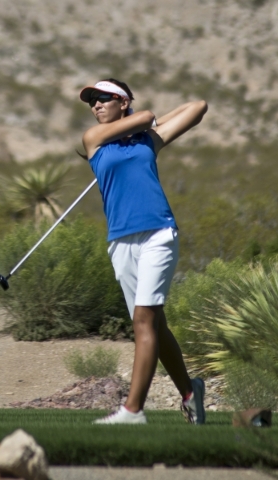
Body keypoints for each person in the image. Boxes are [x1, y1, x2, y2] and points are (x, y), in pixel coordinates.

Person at [79, 78, 208, 424]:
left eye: (104, 98)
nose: (96, 105)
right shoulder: (93, 141)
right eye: (92, 101)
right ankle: (190, 392)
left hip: (159, 233)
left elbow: (197, 107)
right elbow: (144, 116)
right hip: (120, 241)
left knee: (143, 321)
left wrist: (150, 118)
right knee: (155, 325)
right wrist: (143, 117)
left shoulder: (148, 140)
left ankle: (133, 410)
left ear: (123, 102)